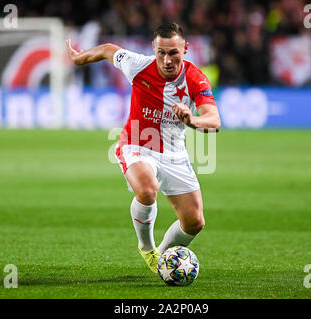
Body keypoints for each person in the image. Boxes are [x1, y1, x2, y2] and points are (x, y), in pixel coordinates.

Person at [66, 22, 220, 274]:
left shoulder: (195, 79)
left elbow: (214, 121)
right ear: (153, 48)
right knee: (148, 191)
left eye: (173, 53)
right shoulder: (138, 64)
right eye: (161, 52)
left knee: (194, 222)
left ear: (185, 49)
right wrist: (79, 58)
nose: (167, 59)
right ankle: (148, 249)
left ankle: (164, 262)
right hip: (136, 143)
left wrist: (191, 120)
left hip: (173, 152)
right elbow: (108, 50)